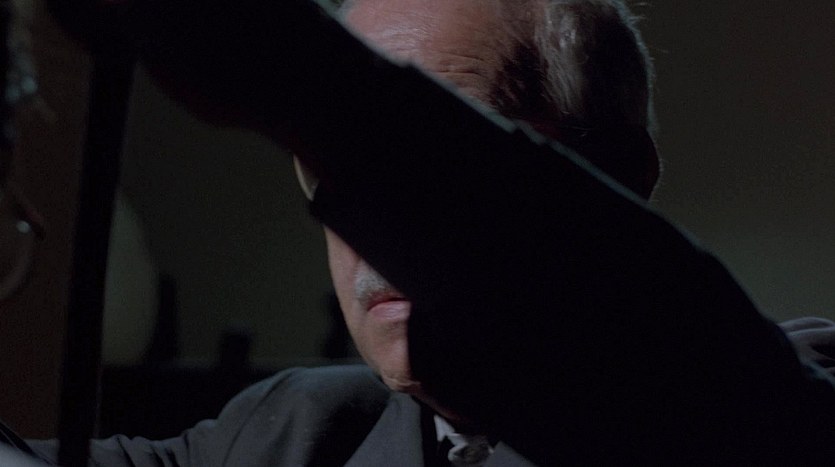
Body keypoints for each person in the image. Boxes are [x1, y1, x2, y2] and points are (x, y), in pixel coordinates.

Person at [3, 0, 835, 465]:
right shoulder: (298, 432)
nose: (369, 227)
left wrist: (298, 77)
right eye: (326, 171)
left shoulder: (768, 398)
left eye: (417, 161)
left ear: (618, 174)